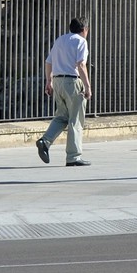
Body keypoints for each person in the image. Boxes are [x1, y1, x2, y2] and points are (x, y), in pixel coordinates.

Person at [37, 15, 92, 167]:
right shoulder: (81, 41)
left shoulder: (60, 39)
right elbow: (81, 65)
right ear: (85, 29)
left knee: (61, 117)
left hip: (58, 81)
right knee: (76, 119)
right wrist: (87, 86)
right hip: (72, 82)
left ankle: (45, 141)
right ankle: (73, 157)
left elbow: (48, 61)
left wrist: (49, 81)